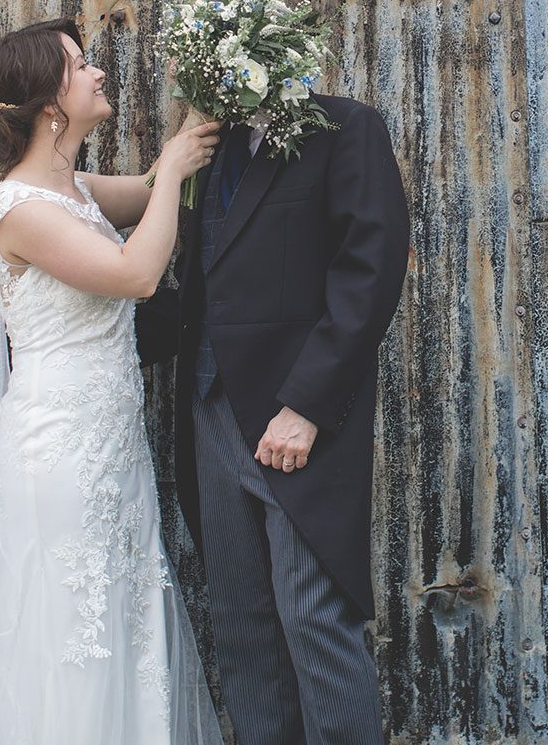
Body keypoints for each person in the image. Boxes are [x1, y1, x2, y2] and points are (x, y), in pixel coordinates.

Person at [0, 17, 225, 743]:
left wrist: (195, 124)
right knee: (67, 640)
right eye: (81, 66)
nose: (99, 73)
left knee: (120, 631)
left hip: (108, 451)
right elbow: (136, 274)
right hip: (58, 454)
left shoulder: (71, 191)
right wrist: (170, 171)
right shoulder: (20, 210)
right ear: (50, 106)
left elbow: (140, 194)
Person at [138, 92, 410, 744]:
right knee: (242, 620)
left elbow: (368, 275)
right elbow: (210, 281)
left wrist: (308, 407)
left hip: (295, 422)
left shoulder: (345, 129)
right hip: (210, 409)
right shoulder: (217, 145)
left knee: (312, 618)